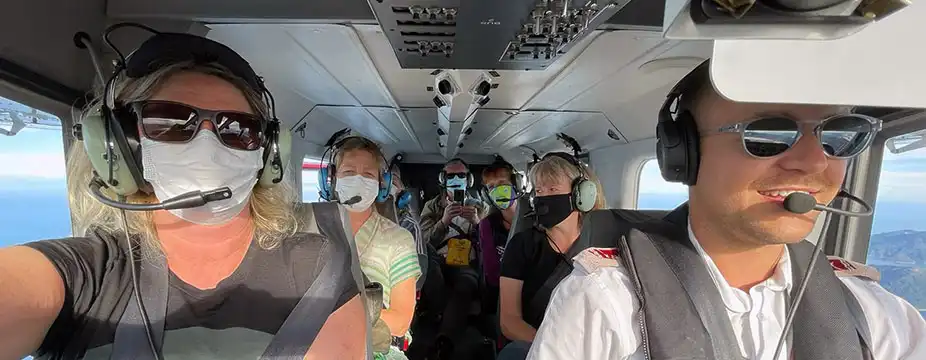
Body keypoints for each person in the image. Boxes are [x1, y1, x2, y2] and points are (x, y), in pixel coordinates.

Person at [0, 30, 366, 359]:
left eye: (237, 129)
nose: (207, 145)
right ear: (121, 147)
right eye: (169, 122)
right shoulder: (87, 274)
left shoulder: (316, 267)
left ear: (267, 154)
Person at [528, 60, 926, 359]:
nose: (815, 162)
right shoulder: (605, 304)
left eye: (838, 135)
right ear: (684, 153)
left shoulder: (877, 317)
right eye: (768, 134)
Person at [498, 153, 606, 360]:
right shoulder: (522, 245)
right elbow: (509, 321)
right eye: (539, 191)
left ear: (582, 194)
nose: (543, 198)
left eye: (553, 189)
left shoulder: (603, 243)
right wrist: (553, 350)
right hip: (538, 347)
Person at [328, 136, 422, 359]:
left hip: (375, 348)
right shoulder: (311, 227)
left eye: (368, 174)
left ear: (381, 184)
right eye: (349, 172)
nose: (358, 180)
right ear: (332, 178)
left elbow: (400, 321)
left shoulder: (399, 239)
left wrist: (330, 317)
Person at [418, 158, 491, 356]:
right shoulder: (432, 206)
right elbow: (424, 242)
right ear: (443, 179)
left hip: (465, 261)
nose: (456, 179)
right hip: (437, 260)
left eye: (461, 175)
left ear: (469, 180)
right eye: (451, 176)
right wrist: (444, 221)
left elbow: (489, 245)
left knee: (465, 286)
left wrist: (477, 223)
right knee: (431, 273)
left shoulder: (481, 207)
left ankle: (445, 340)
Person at [477, 156, 523, 308]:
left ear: (516, 185)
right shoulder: (487, 225)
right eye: (491, 187)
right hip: (500, 294)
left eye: (503, 184)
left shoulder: (533, 220)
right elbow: (492, 273)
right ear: (487, 195)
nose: (498, 190)